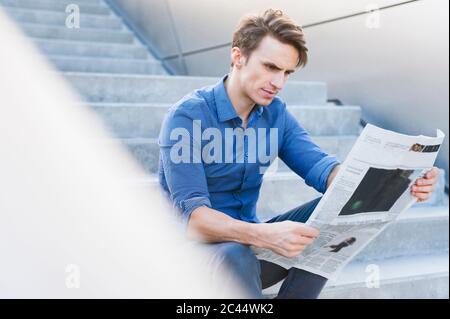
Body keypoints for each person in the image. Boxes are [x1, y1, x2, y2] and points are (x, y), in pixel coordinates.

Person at [158, 9, 440, 298]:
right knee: (235, 255)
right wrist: (265, 234)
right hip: (189, 259)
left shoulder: (274, 114)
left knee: (327, 217)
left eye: (286, 73)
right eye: (270, 67)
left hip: (247, 250)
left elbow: (326, 170)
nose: (278, 83)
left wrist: (401, 182)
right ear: (238, 56)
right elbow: (194, 221)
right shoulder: (188, 117)